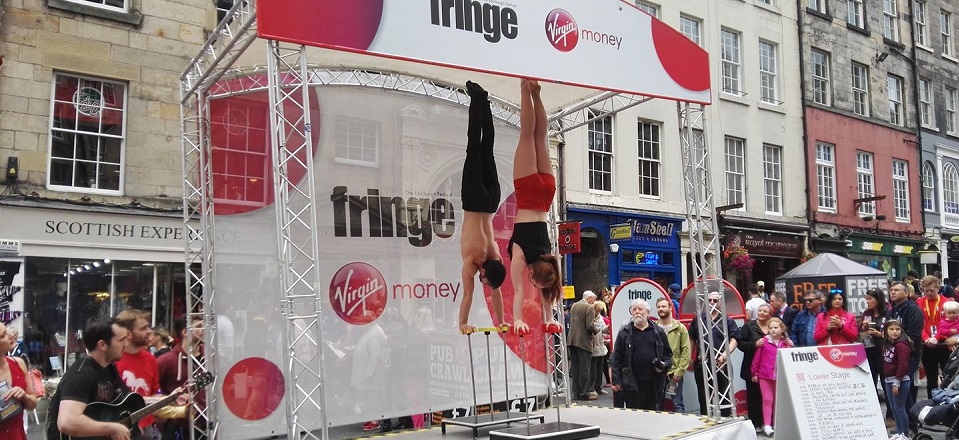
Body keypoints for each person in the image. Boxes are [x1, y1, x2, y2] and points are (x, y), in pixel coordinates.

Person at [510, 79, 562, 336]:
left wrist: (550, 318)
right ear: (533, 276)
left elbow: (548, 291)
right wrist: (517, 320)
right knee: (527, 135)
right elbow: (519, 290)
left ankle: (537, 94)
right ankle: (524, 89)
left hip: (546, 195)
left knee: (541, 136)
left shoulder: (548, 257)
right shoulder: (521, 255)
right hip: (529, 193)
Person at [458, 80, 508, 335]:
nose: (482, 280)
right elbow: (468, 294)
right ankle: (476, 98)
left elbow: (496, 293)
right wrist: (462, 323)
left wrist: (500, 321)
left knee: (487, 146)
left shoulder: (495, 259)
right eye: (484, 279)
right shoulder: (474, 261)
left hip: (491, 202)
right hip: (475, 199)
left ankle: (484, 101)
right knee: (473, 145)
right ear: (484, 270)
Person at [47, 319, 132, 440]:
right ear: (102, 345)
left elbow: (128, 400)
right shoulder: (81, 375)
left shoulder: (110, 368)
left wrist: (162, 400)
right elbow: (67, 422)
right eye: (121, 340)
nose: (126, 345)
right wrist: (112, 428)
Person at [610, 299, 673, 410]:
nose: (637, 312)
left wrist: (663, 366)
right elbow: (616, 359)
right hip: (631, 384)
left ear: (647, 312)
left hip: (654, 384)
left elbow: (668, 355)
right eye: (634, 309)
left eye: (640, 309)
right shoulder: (624, 333)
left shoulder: (658, 332)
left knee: (653, 415)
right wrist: (616, 381)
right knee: (634, 415)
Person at [688, 290, 739, 416]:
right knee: (704, 396)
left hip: (721, 363)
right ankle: (707, 422)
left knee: (723, 394)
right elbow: (692, 338)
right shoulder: (698, 320)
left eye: (715, 300)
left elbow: (734, 339)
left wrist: (725, 355)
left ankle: (726, 421)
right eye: (709, 300)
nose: (712, 303)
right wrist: (690, 356)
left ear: (720, 303)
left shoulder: (728, 321)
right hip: (702, 363)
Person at [114, 308, 161, 438]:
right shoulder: (113, 359)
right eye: (143, 328)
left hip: (146, 428)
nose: (149, 332)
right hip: (120, 428)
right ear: (128, 333)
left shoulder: (150, 359)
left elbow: (154, 392)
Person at [156, 314, 204, 440]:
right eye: (199, 326)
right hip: (178, 426)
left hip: (207, 423)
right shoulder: (166, 360)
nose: (204, 329)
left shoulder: (211, 358)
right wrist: (169, 403)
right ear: (185, 332)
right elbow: (152, 390)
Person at [887, 281, 923, 419]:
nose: (893, 292)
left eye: (896, 290)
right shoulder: (893, 310)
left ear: (906, 293)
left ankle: (912, 423)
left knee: (904, 389)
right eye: (891, 290)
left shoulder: (912, 309)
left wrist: (896, 341)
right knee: (899, 393)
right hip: (893, 354)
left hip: (909, 354)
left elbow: (913, 335)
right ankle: (903, 424)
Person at [750, 317, 791, 437]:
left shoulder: (786, 343)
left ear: (782, 329)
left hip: (781, 375)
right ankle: (767, 424)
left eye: (776, 328)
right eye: (771, 328)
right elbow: (757, 358)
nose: (773, 330)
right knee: (767, 399)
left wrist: (790, 346)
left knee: (779, 400)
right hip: (765, 375)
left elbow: (790, 358)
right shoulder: (764, 342)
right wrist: (754, 372)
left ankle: (777, 422)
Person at [736, 303, 773, 431]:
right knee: (753, 396)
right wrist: (754, 344)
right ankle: (755, 424)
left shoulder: (774, 326)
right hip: (751, 368)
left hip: (770, 368)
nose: (762, 313)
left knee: (768, 396)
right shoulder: (748, 326)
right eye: (760, 310)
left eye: (765, 311)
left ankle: (768, 422)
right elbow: (741, 344)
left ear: (770, 314)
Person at [0, 322, 36, 440]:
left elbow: (32, 404)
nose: (11, 335)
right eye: (4, 335)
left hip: (17, 434)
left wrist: (24, 396)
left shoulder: (18, 363)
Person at [918, 275, 952, 397]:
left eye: (931, 290)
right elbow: (919, 324)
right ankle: (932, 403)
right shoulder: (920, 302)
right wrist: (926, 337)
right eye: (925, 291)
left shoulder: (947, 303)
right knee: (931, 378)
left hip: (944, 345)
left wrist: (936, 337)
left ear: (938, 287)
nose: (928, 293)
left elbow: (949, 323)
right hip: (927, 345)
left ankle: (949, 403)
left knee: (948, 377)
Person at [656, 297, 690, 413]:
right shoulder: (653, 328)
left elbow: (686, 350)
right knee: (657, 404)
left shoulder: (680, 328)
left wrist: (680, 370)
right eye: (659, 307)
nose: (661, 309)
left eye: (663, 306)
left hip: (674, 373)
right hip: (658, 373)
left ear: (670, 308)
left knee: (678, 404)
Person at [883, 319, 913, 440]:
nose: (894, 332)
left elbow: (903, 365)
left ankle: (905, 434)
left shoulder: (901, 345)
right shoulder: (887, 344)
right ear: (886, 331)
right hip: (888, 380)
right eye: (891, 329)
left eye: (897, 329)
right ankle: (899, 432)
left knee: (900, 408)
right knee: (894, 408)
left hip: (900, 381)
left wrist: (897, 382)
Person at [568, 291, 598, 400]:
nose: (594, 302)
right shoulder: (589, 308)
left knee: (575, 368)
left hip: (572, 340)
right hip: (584, 341)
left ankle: (576, 392)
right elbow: (590, 326)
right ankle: (584, 393)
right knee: (585, 368)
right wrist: (598, 330)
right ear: (590, 298)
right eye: (593, 300)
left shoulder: (574, 306)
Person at [860, 288, 888, 396]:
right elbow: (861, 332)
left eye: (870, 299)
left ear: (878, 299)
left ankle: (890, 410)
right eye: (866, 299)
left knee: (885, 379)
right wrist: (864, 327)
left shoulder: (887, 312)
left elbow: (893, 332)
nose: (867, 301)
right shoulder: (867, 313)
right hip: (869, 348)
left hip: (883, 350)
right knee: (871, 378)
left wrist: (879, 334)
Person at [590, 301, 609, 396]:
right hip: (593, 344)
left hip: (600, 344)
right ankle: (592, 387)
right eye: (597, 310)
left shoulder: (600, 318)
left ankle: (598, 387)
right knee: (593, 369)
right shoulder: (590, 318)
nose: (598, 312)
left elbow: (603, 329)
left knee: (599, 368)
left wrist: (608, 328)